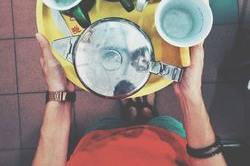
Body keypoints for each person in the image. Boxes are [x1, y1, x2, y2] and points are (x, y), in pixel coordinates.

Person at [32, 33, 227, 166]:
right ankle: (145, 112)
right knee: (162, 124)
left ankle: (134, 111)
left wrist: (59, 93)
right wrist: (190, 94)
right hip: (168, 142)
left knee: (107, 125)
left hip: (98, 144)